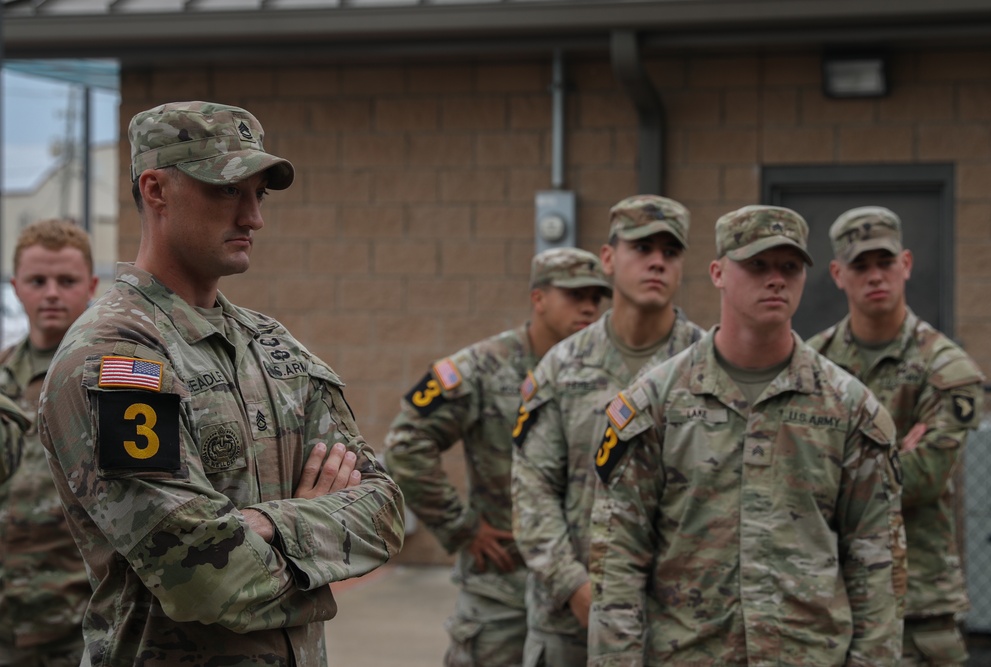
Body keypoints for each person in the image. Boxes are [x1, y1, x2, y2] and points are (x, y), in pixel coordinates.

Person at [37, 101, 405, 667]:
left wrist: (267, 525)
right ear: (156, 190)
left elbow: (382, 511)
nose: (254, 218)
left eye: (259, 195)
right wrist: (316, 538)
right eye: (227, 191)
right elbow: (199, 575)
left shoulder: (273, 344)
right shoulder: (114, 356)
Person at [587, 204, 905, 666]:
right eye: (757, 265)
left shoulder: (849, 407)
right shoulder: (653, 403)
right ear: (718, 272)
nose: (775, 279)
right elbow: (618, 559)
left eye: (789, 267)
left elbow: (876, 560)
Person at [384, 247, 611, 667]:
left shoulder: (607, 374)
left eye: (596, 297)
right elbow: (405, 445)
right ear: (539, 298)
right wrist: (462, 528)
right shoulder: (483, 367)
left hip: (582, 587)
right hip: (504, 584)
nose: (588, 307)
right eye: (575, 294)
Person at [511, 195, 704, 667]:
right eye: (642, 247)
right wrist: (573, 586)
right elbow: (532, 487)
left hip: (683, 624)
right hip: (569, 622)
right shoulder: (562, 365)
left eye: (670, 251)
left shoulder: (707, 365)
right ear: (608, 258)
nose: (657, 261)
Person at [808, 206, 983, 667]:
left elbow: (925, 477)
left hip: (916, 601)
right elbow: (792, 477)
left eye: (884, 263)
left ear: (905, 264)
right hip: (827, 592)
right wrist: (890, 457)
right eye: (859, 265)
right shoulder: (811, 365)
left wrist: (834, 465)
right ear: (836, 274)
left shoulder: (946, 368)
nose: (875, 276)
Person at [0, 219, 98, 667]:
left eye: (67, 280)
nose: (52, 293)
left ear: (91, 286)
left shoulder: (106, 377)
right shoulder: (1, 378)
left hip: (82, 625)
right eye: (38, 281)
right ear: (17, 286)